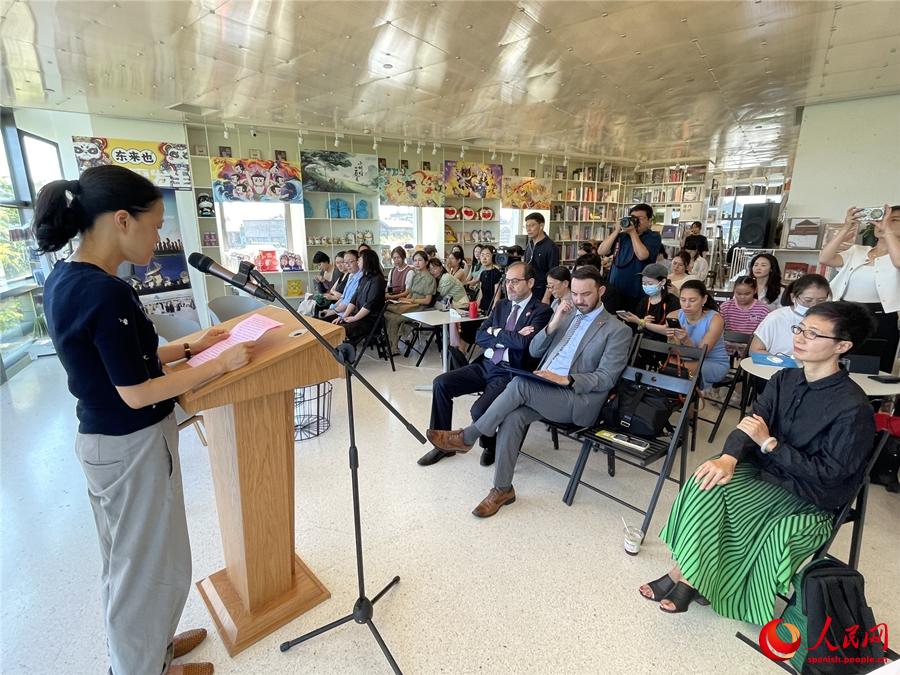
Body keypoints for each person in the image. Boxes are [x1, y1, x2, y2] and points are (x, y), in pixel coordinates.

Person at [35, 166, 254, 675]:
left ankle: (151, 650)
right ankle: (140, 668)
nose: (160, 237)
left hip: (106, 444)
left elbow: (123, 361)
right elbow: (135, 392)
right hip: (129, 446)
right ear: (121, 221)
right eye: (155, 225)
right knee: (147, 567)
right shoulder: (104, 292)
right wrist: (217, 366)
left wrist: (189, 348)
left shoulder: (69, 278)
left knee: (131, 562)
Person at [640, 301, 877, 621]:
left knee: (734, 504)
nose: (800, 338)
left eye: (813, 333)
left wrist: (770, 444)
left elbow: (831, 474)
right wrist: (728, 457)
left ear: (843, 346)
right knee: (705, 480)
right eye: (800, 328)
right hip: (767, 470)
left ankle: (682, 576)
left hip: (806, 493)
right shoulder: (785, 379)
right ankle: (692, 575)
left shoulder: (853, 408)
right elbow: (751, 423)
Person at [425, 267, 632, 517]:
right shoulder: (565, 315)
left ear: (600, 291)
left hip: (578, 398)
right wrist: (554, 322)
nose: (578, 301)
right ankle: (502, 489)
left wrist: (566, 379)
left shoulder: (617, 330)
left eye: (585, 295)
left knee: (520, 384)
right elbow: (534, 351)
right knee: (513, 417)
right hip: (545, 387)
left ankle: (467, 437)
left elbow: (606, 377)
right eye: (574, 294)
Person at [418, 262, 553, 467]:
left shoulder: (541, 311)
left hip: (509, 373)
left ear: (531, 282)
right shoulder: (502, 306)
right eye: (507, 281)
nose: (510, 286)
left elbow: (524, 344)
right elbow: (479, 335)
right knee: (441, 383)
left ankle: (490, 444)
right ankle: (442, 445)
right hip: (486, 364)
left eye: (515, 281)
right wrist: (506, 335)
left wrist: (496, 332)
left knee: (478, 411)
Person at [820, 204, 900, 374]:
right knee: (837, 362)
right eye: (883, 218)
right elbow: (825, 258)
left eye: (894, 220)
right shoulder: (858, 250)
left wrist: (888, 231)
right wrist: (847, 226)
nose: (884, 222)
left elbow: (898, 262)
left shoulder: (896, 255)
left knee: (872, 368)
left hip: (881, 317)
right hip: (846, 312)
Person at [647, 279, 730, 388]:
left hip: (712, 362)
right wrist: (671, 338)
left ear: (704, 299)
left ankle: (681, 402)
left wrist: (686, 340)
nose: (687, 305)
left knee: (675, 371)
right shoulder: (673, 315)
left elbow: (700, 356)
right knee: (668, 368)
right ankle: (675, 402)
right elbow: (674, 350)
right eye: (683, 300)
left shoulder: (715, 319)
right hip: (682, 360)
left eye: (692, 300)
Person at [598, 203, 662, 313]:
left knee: (631, 324)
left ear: (649, 220)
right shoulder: (622, 236)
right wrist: (617, 230)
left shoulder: (653, 236)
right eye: (633, 218)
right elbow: (601, 251)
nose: (635, 221)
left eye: (639, 218)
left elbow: (642, 256)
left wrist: (632, 232)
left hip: (635, 292)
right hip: (615, 290)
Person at [750, 274, 831, 357]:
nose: (813, 306)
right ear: (793, 297)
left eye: (821, 301)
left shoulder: (829, 321)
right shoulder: (776, 318)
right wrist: (783, 362)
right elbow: (755, 350)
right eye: (808, 300)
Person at [385, 250, 436, 356]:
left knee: (395, 318)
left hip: (420, 308)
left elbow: (427, 300)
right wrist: (405, 300)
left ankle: (394, 347)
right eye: (415, 260)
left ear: (426, 262)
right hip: (410, 305)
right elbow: (410, 292)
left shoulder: (430, 279)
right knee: (387, 313)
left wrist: (410, 300)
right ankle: (390, 344)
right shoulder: (416, 276)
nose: (417, 263)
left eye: (420, 260)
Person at [333, 248, 387, 343]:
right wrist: (343, 316)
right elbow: (353, 299)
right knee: (334, 326)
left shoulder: (377, 280)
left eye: (360, 260)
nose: (358, 262)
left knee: (340, 331)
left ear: (367, 261)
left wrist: (354, 318)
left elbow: (369, 304)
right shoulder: (364, 278)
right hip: (358, 315)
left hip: (370, 320)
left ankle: (343, 354)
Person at [620, 262, 680, 344]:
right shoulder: (644, 302)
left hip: (662, 345)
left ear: (662, 282)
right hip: (642, 343)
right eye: (644, 284)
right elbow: (637, 327)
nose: (646, 286)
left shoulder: (674, 302)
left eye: (650, 283)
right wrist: (641, 323)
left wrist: (641, 322)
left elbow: (669, 330)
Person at [717, 275, 770, 357]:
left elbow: (763, 332)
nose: (742, 297)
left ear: (755, 291)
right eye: (738, 293)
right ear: (734, 291)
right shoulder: (726, 306)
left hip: (750, 345)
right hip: (725, 344)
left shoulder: (762, 309)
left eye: (747, 294)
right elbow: (718, 328)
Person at [523, 212, 559, 301]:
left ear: (541, 226)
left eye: (531, 225)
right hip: (529, 289)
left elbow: (553, 274)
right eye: (526, 226)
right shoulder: (529, 245)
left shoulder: (551, 247)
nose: (528, 229)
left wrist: (546, 296)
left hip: (542, 291)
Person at [322, 249, 361, 319]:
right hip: (340, 310)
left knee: (320, 321)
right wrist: (331, 309)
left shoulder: (361, 277)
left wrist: (334, 312)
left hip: (347, 313)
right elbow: (343, 298)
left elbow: (349, 301)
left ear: (359, 261)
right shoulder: (350, 275)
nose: (347, 265)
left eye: (350, 262)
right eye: (346, 262)